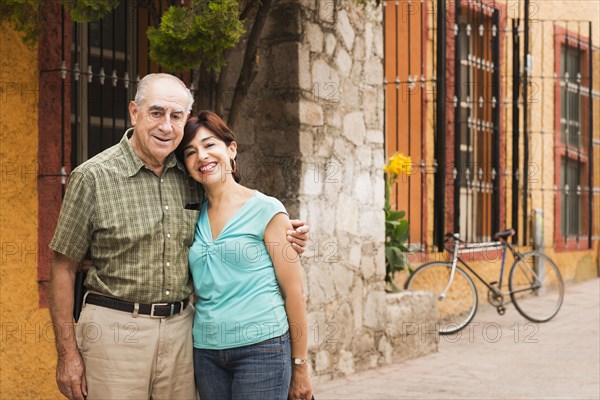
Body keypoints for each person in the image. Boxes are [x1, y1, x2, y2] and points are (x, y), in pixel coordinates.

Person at [48, 73, 309, 400]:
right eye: (156, 113)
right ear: (134, 112)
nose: (166, 126)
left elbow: (239, 215)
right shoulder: (91, 177)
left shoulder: (189, 178)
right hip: (115, 331)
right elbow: (62, 267)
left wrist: (290, 235)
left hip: (182, 335)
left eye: (176, 116)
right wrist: (67, 354)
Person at [175, 111, 313, 400]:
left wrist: (300, 365)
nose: (202, 156)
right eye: (190, 152)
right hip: (206, 353)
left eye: (210, 144)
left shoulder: (266, 209)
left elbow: (294, 292)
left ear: (231, 149)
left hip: (262, 349)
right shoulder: (191, 216)